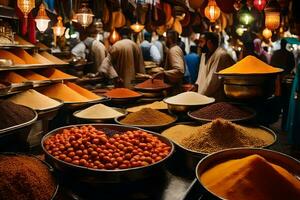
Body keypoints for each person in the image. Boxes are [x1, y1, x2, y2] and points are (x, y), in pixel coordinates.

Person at [195, 32, 235, 100]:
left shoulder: (221, 55)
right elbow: (201, 76)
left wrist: (199, 99)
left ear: (209, 43)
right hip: (204, 98)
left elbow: (212, 83)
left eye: (201, 42)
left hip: (217, 99)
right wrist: (196, 86)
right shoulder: (204, 55)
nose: (199, 45)